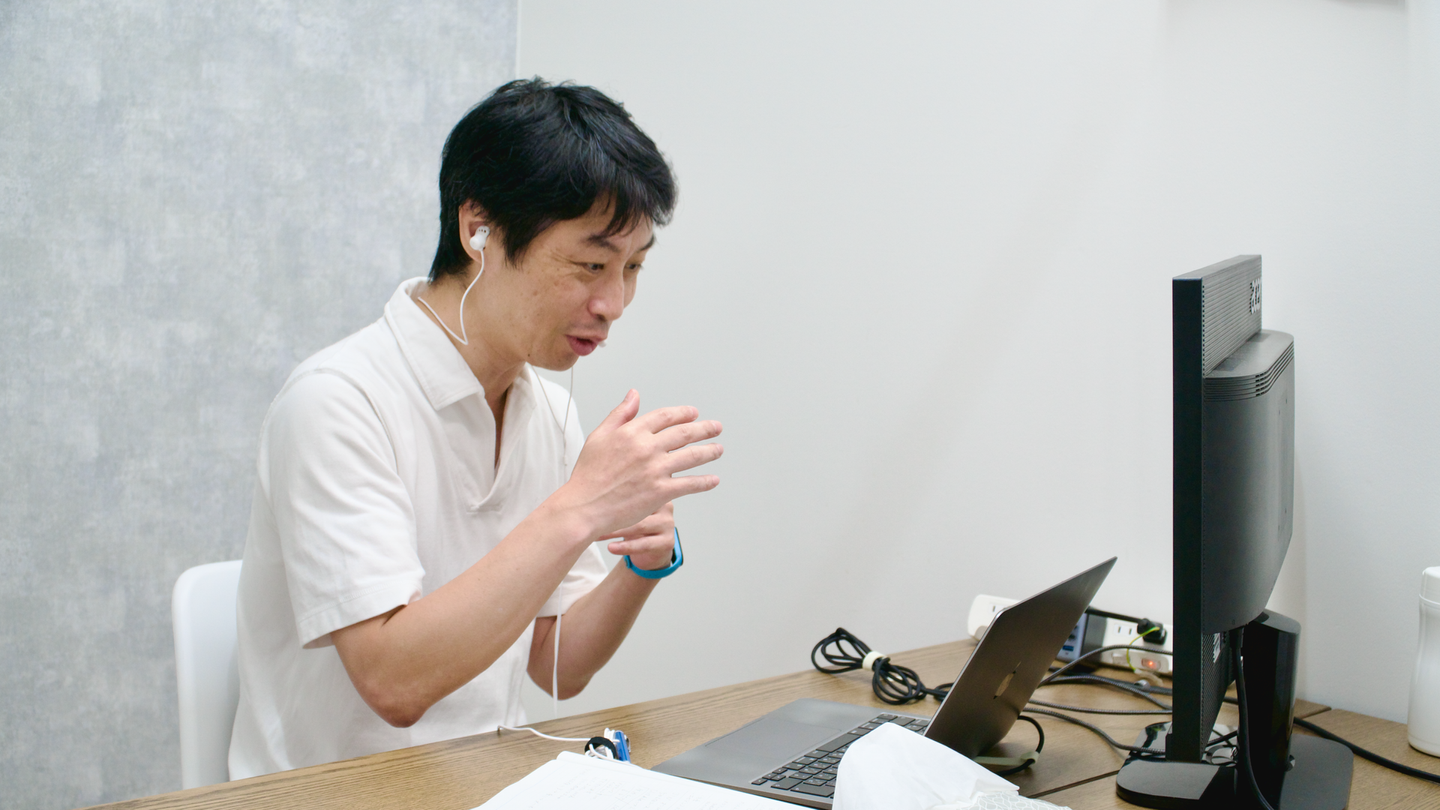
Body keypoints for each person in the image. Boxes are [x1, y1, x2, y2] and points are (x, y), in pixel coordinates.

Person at [228, 79, 723, 778]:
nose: (613, 302)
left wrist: (642, 565)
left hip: (484, 786)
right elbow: (393, 683)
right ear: (478, 230)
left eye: (633, 267)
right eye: (590, 265)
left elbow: (557, 666)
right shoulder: (336, 402)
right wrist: (579, 508)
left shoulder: (547, 411)